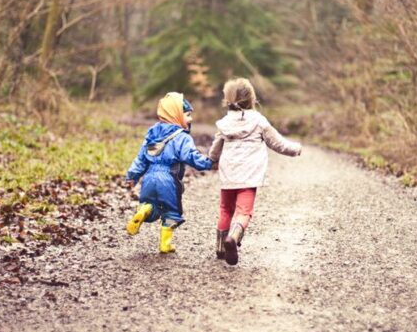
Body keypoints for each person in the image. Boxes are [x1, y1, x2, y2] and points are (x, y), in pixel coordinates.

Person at [209, 78, 302, 265]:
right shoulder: (259, 121)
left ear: (228, 101)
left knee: (225, 209)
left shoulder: (225, 123)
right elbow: (277, 143)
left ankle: (220, 247)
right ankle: (233, 238)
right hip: (249, 177)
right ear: (251, 99)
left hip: (228, 176)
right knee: (244, 212)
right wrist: (296, 149)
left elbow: (215, 149)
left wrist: (211, 161)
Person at [125, 92, 213, 253]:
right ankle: (165, 245)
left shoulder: (151, 133)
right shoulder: (182, 137)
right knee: (172, 211)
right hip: (169, 179)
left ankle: (144, 211)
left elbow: (141, 158)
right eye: (187, 115)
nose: (190, 119)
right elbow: (190, 156)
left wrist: (132, 176)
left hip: (149, 179)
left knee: (153, 208)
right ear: (176, 115)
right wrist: (208, 163)